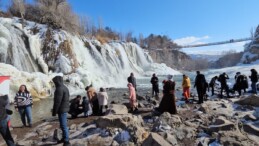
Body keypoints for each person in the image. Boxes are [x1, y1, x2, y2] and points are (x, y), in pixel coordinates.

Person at [52, 76, 71, 146]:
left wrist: (54, 111)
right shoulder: (65, 87)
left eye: (54, 82)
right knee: (63, 125)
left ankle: (66, 141)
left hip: (62, 109)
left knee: (63, 125)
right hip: (64, 108)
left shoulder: (59, 89)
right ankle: (64, 138)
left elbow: (57, 102)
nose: (54, 83)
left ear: (57, 81)